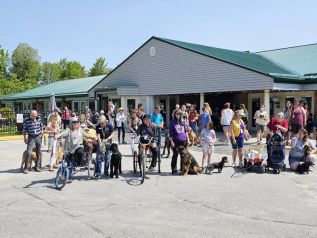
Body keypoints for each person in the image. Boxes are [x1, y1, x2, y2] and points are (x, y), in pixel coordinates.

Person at [169, 109, 190, 174]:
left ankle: (182, 169)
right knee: (175, 155)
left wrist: (188, 140)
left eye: (179, 114)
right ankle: (174, 169)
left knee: (183, 156)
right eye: (177, 114)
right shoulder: (172, 122)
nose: (178, 115)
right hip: (175, 141)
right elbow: (170, 133)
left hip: (183, 141)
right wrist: (171, 141)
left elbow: (186, 132)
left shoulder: (183, 122)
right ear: (175, 114)